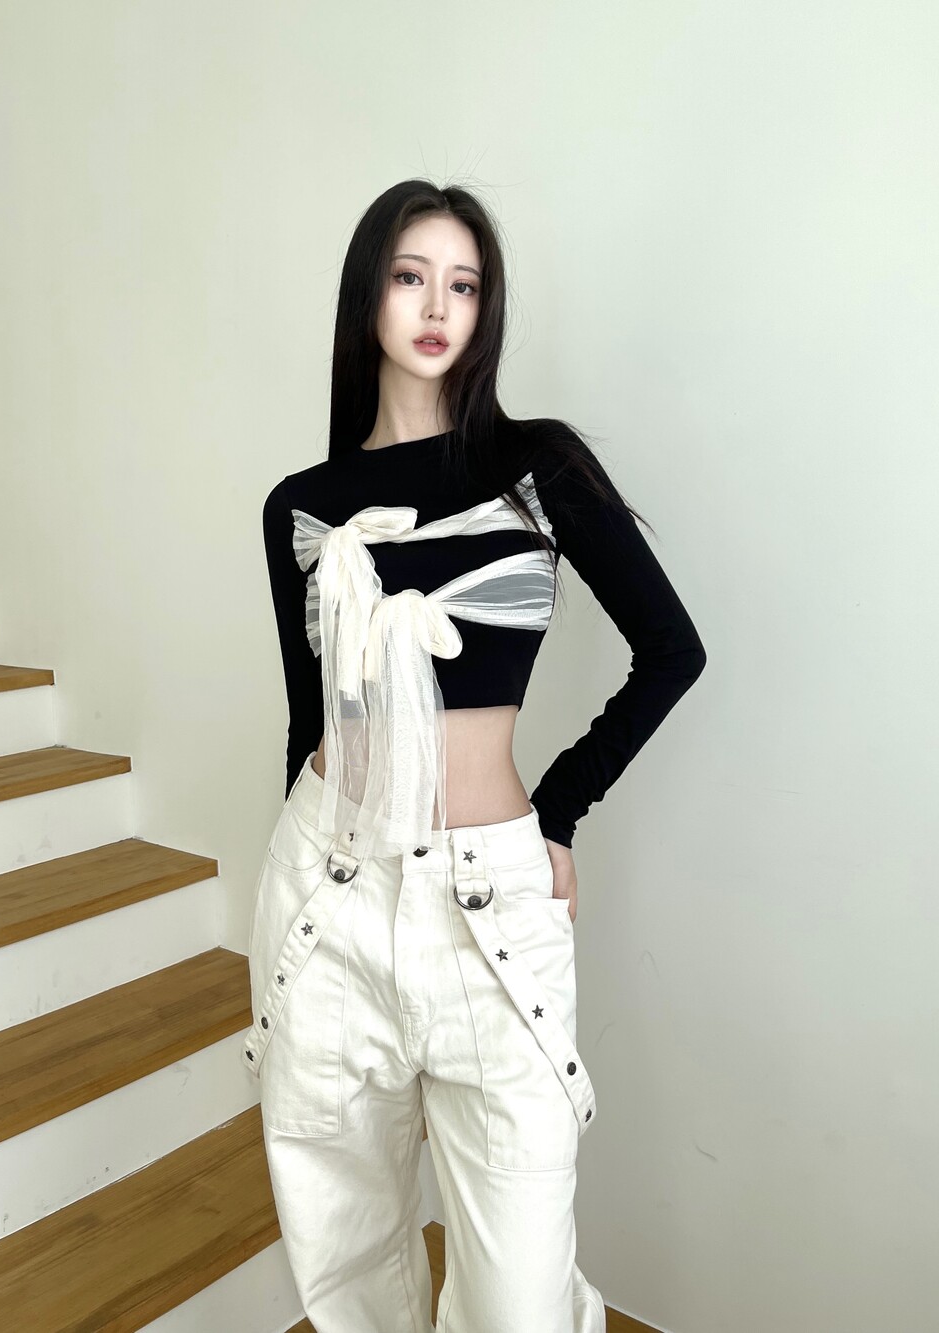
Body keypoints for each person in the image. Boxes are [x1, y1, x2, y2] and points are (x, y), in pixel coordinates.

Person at [242, 179, 707, 1333]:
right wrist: (296, 874)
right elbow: (310, 721)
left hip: (487, 897)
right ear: (368, 295)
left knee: (516, 1296)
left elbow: (671, 651)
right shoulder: (301, 508)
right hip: (327, 899)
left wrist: (556, 811)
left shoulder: (537, 468)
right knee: (348, 1270)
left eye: (464, 283)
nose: (437, 305)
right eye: (411, 276)